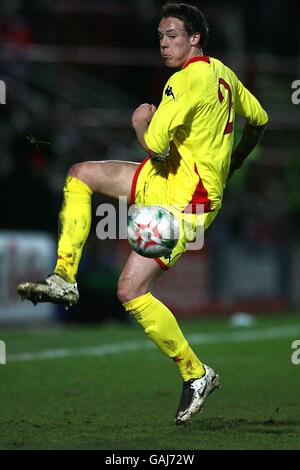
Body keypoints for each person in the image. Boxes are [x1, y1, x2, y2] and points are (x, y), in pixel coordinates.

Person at [17, 3, 268, 425]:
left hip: (187, 203)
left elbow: (154, 144)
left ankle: (196, 373)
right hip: (169, 179)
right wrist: (237, 159)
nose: (164, 43)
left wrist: (140, 120)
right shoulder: (224, 74)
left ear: (194, 40)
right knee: (81, 175)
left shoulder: (184, 81)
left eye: (172, 35)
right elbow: (259, 119)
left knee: (130, 291)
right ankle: (64, 277)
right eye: (160, 36)